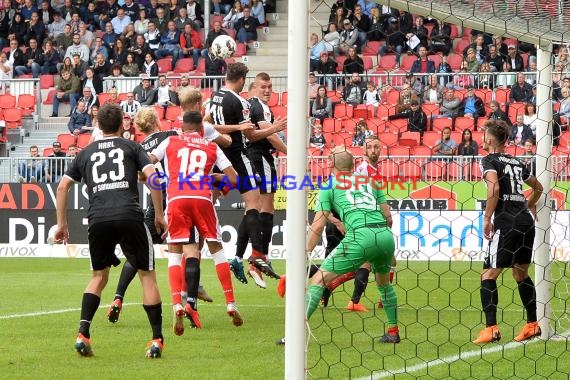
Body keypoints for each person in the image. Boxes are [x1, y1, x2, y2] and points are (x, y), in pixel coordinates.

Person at [54, 102, 167, 358]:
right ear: (121, 125)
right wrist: (159, 216)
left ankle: (83, 333)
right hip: (130, 214)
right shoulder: (132, 146)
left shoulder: (85, 152)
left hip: (98, 218)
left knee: (98, 277)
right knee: (147, 275)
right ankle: (157, 339)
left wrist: (62, 224)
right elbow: (155, 179)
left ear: (97, 125)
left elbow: (62, 188)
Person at [149, 111, 244, 332]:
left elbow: (149, 161)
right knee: (217, 250)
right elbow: (234, 178)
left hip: (177, 199)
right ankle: (230, 303)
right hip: (202, 199)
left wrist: (158, 177)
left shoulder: (171, 140)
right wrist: (220, 184)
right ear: (201, 129)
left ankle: (176, 304)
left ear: (183, 127)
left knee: (175, 252)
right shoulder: (211, 146)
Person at [304, 148, 399, 342]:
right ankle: (393, 332)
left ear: (331, 165)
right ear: (354, 165)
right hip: (384, 235)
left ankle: (295, 335)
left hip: (360, 235)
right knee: (384, 284)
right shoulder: (372, 182)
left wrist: (304, 252)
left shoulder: (329, 186)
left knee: (318, 280)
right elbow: (388, 218)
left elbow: (318, 224)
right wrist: (387, 247)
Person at [472, 120, 543, 344]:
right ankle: (532, 324)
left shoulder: (489, 160)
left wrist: (486, 218)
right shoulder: (516, 161)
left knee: (488, 274)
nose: (482, 139)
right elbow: (538, 187)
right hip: (525, 223)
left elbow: (494, 187)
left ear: (490, 140)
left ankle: (491, 328)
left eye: (484, 135)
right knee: (520, 273)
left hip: (507, 223)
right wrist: (529, 204)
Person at [209, 63, 281, 281]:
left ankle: (237, 258)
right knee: (254, 202)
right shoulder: (241, 102)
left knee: (210, 200)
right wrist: (274, 129)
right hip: (238, 156)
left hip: (217, 155)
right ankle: (257, 254)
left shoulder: (214, 97)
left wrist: (232, 130)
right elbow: (251, 136)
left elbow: (207, 126)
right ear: (242, 80)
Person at [239, 73, 288, 287]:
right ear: (252, 88)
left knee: (256, 208)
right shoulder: (257, 106)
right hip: (259, 157)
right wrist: (291, 153)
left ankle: (253, 259)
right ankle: (258, 258)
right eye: (263, 87)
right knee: (265, 208)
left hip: (252, 157)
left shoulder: (249, 106)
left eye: (270, 87)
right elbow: (270, 135)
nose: (267, 90)